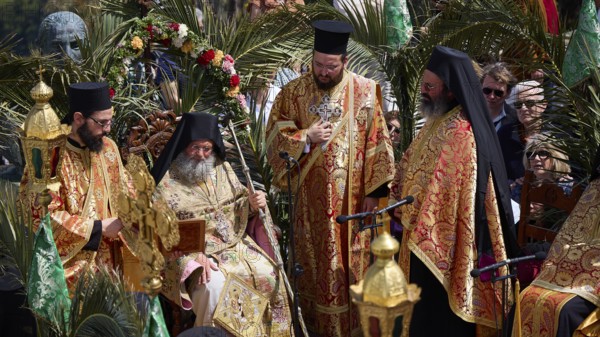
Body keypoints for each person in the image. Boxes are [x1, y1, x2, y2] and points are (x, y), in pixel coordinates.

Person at [265, 20, 395, 336]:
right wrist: (305, 138)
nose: (323, 72)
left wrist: (373, 194)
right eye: (318, 64)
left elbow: (378, 142)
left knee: (351, 274)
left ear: (344, 62)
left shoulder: (364, 91)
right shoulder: (293, 92)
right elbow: (272, 138)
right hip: (309, 208)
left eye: (330, 66)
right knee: (313, 275)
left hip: (352, 207)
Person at [389, 46, 519, 337]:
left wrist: (413, 213)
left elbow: (446, 193)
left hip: (441, 244)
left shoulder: (461, 132)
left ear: (450, 90)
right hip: (417, 233)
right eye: (423, 84)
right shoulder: (437, 121)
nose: (423, 91)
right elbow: (410, 163)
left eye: (429, 86)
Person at [151, 112, 293, 334]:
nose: (200, 154)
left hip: (236, 244)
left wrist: (254, 204)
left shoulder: (222, 168)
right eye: (195, 147)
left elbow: (238, 203)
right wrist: (191, 252)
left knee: (269, 274)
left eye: (206, 148)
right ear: (184, 144)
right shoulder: (166, 182)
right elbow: (158, 226)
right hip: (196, 254)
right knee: (214, 287)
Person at [18, 82, 137, 291]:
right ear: (79, 118)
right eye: (102, 123)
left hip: (117, 258)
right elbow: (42, 218)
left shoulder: (108, 148)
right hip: (75, 265)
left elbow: (128, 191)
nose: (107, 130)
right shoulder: (49, 157)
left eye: (110, 121)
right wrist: (98, 228)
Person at [511, 146, 600, 337]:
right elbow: (570, 239)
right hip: (575, 274)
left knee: (564, 310)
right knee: (528, 297)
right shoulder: (595, 192)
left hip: (593, 284)